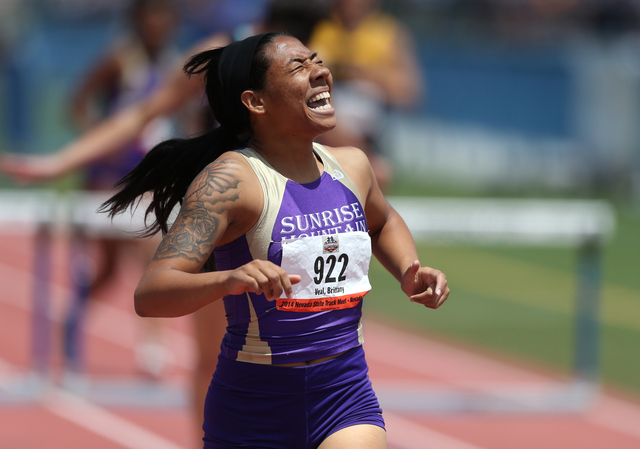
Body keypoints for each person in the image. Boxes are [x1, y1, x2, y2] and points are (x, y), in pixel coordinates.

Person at [0, 3, 332, 445]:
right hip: (225, 220)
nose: (302, 59)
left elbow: (325, 132)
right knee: (217, 355)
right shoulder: (217, 55)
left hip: (288, 216)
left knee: (309, 348)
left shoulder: (311, 64)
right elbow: (140, 115)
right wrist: (60, 162)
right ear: (265, 26)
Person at [100, 32, 449, 448]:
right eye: (299, 67)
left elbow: (383, 220)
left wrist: (409, 270)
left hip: (345, 393)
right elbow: (152, 294)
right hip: (253, 408)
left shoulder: (353, 166)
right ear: (256, 101)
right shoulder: (230, 181)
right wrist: (229, 279)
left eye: (317, 60)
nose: (320, 71)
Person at [60, 0, 181, 378]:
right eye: (152, 15)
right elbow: (76, 103)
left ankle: (147, 349)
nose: (158, 23)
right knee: (128, 262)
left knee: (135, 262)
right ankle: (78, 324)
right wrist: (101, 139)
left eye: (165, 15)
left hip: (143, 182)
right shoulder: (120, 60)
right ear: (138, 20)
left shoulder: (175, 65)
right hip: (105, 183)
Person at [308, 0, 424, 190]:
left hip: (371, 119)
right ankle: (368, 163)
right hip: (325, 114)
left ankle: (366, 162)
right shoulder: (319, 28)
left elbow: (408, 92)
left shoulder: (388, 32)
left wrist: (361, 73)